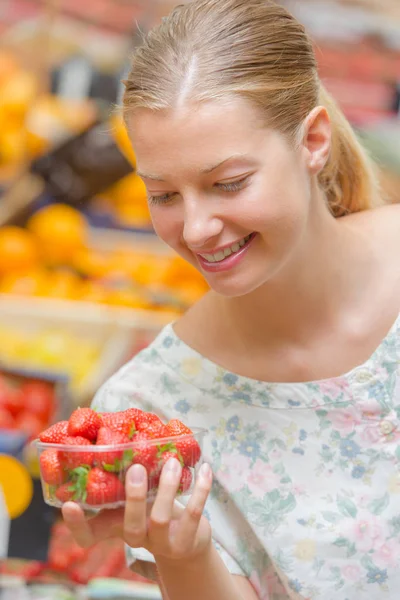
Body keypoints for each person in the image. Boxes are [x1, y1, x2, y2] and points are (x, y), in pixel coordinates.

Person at [62, 0, 400, 598]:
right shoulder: (154, 406)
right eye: (163, 195)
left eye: (228, 184)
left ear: (313, 140)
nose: (195, 230)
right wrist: (186, 557)